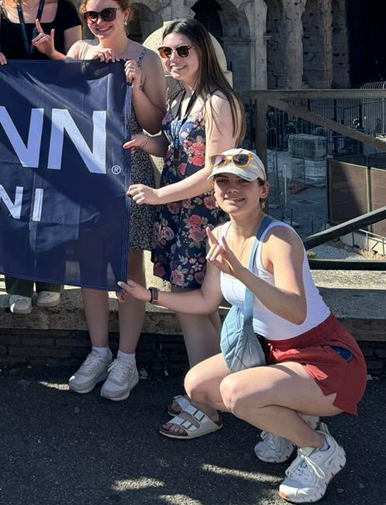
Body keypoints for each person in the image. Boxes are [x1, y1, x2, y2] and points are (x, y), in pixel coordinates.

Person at [118, 149, 366, 503]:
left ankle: (319, 448)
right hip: (274, 355)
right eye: (223, 182)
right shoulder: (219, 234)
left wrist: (242, 273)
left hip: (324, 358)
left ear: (262, 189)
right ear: (214, 191)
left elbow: (295, 311)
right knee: (197, 385)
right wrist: (150, 296)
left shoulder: (280, 238)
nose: (233, 189)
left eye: (243, 181)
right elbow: (205, 301)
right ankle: (289, 422)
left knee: (236, 393)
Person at [37, 0, 167, 401]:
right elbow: (62, 101)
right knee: (89, 262)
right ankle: (98, 351)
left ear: (126, 14)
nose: (98, 22)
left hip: (129, 165)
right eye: (91, 16)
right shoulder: (78, 51)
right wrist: (60, 60)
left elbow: (153, 124)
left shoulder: (146, 59)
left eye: (107, 13)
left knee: (129, 266)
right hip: (88, 169)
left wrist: (131, 84)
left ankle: (126, 359)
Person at [123, 18, 245, 420]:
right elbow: (175, 146)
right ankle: (213, 394)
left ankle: (204, 408)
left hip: (199, 217)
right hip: (178, 214)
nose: (173, 59)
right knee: (202, 310)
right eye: (166, 52)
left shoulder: (216, 101)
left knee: (190, 310)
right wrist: (149, 142)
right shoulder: (183, 98)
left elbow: (214, 171)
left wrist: (158, 194)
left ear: (202, 53)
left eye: (182, 51)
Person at [0, 0, 83, 315]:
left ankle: (52, 278)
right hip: (11, 115)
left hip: (56, 113)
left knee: (51, 194)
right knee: (13, 199)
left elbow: (79, 66)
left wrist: (50, 53)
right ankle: (18, 283)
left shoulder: (66, 10)